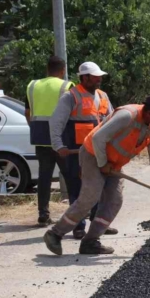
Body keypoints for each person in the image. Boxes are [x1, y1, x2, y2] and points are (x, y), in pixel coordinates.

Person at [43, 93, 150, 255]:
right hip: (93, 154)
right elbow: (98, 138)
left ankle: (91, 241)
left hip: (114, 162)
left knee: (114, 200)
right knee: (90, 197)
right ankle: (55, 234)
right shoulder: (127, 116)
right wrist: (102, 163)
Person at [49, 61, 117, 239]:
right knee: (78, 189)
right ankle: (78, 226)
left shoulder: (103, 96)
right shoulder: (71, 96)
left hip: (98, 150)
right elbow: (56, 123)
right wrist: (59, 146)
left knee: (99, 188)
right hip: (76, 152)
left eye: (99, 77)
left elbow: (112, 121)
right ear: (84, 77)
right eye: (95, 77)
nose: (98, 80)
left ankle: (98, 225)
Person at [24, 56, 73, 227]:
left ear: (47, 69)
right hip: (62, 139)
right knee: (71, 176)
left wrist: (36, 128)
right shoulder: (66, 86)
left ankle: (43, 215)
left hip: (41, 138)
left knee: (44, 177)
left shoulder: (33, 86)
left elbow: (28, 112)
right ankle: (77, 212)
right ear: (63, 70)